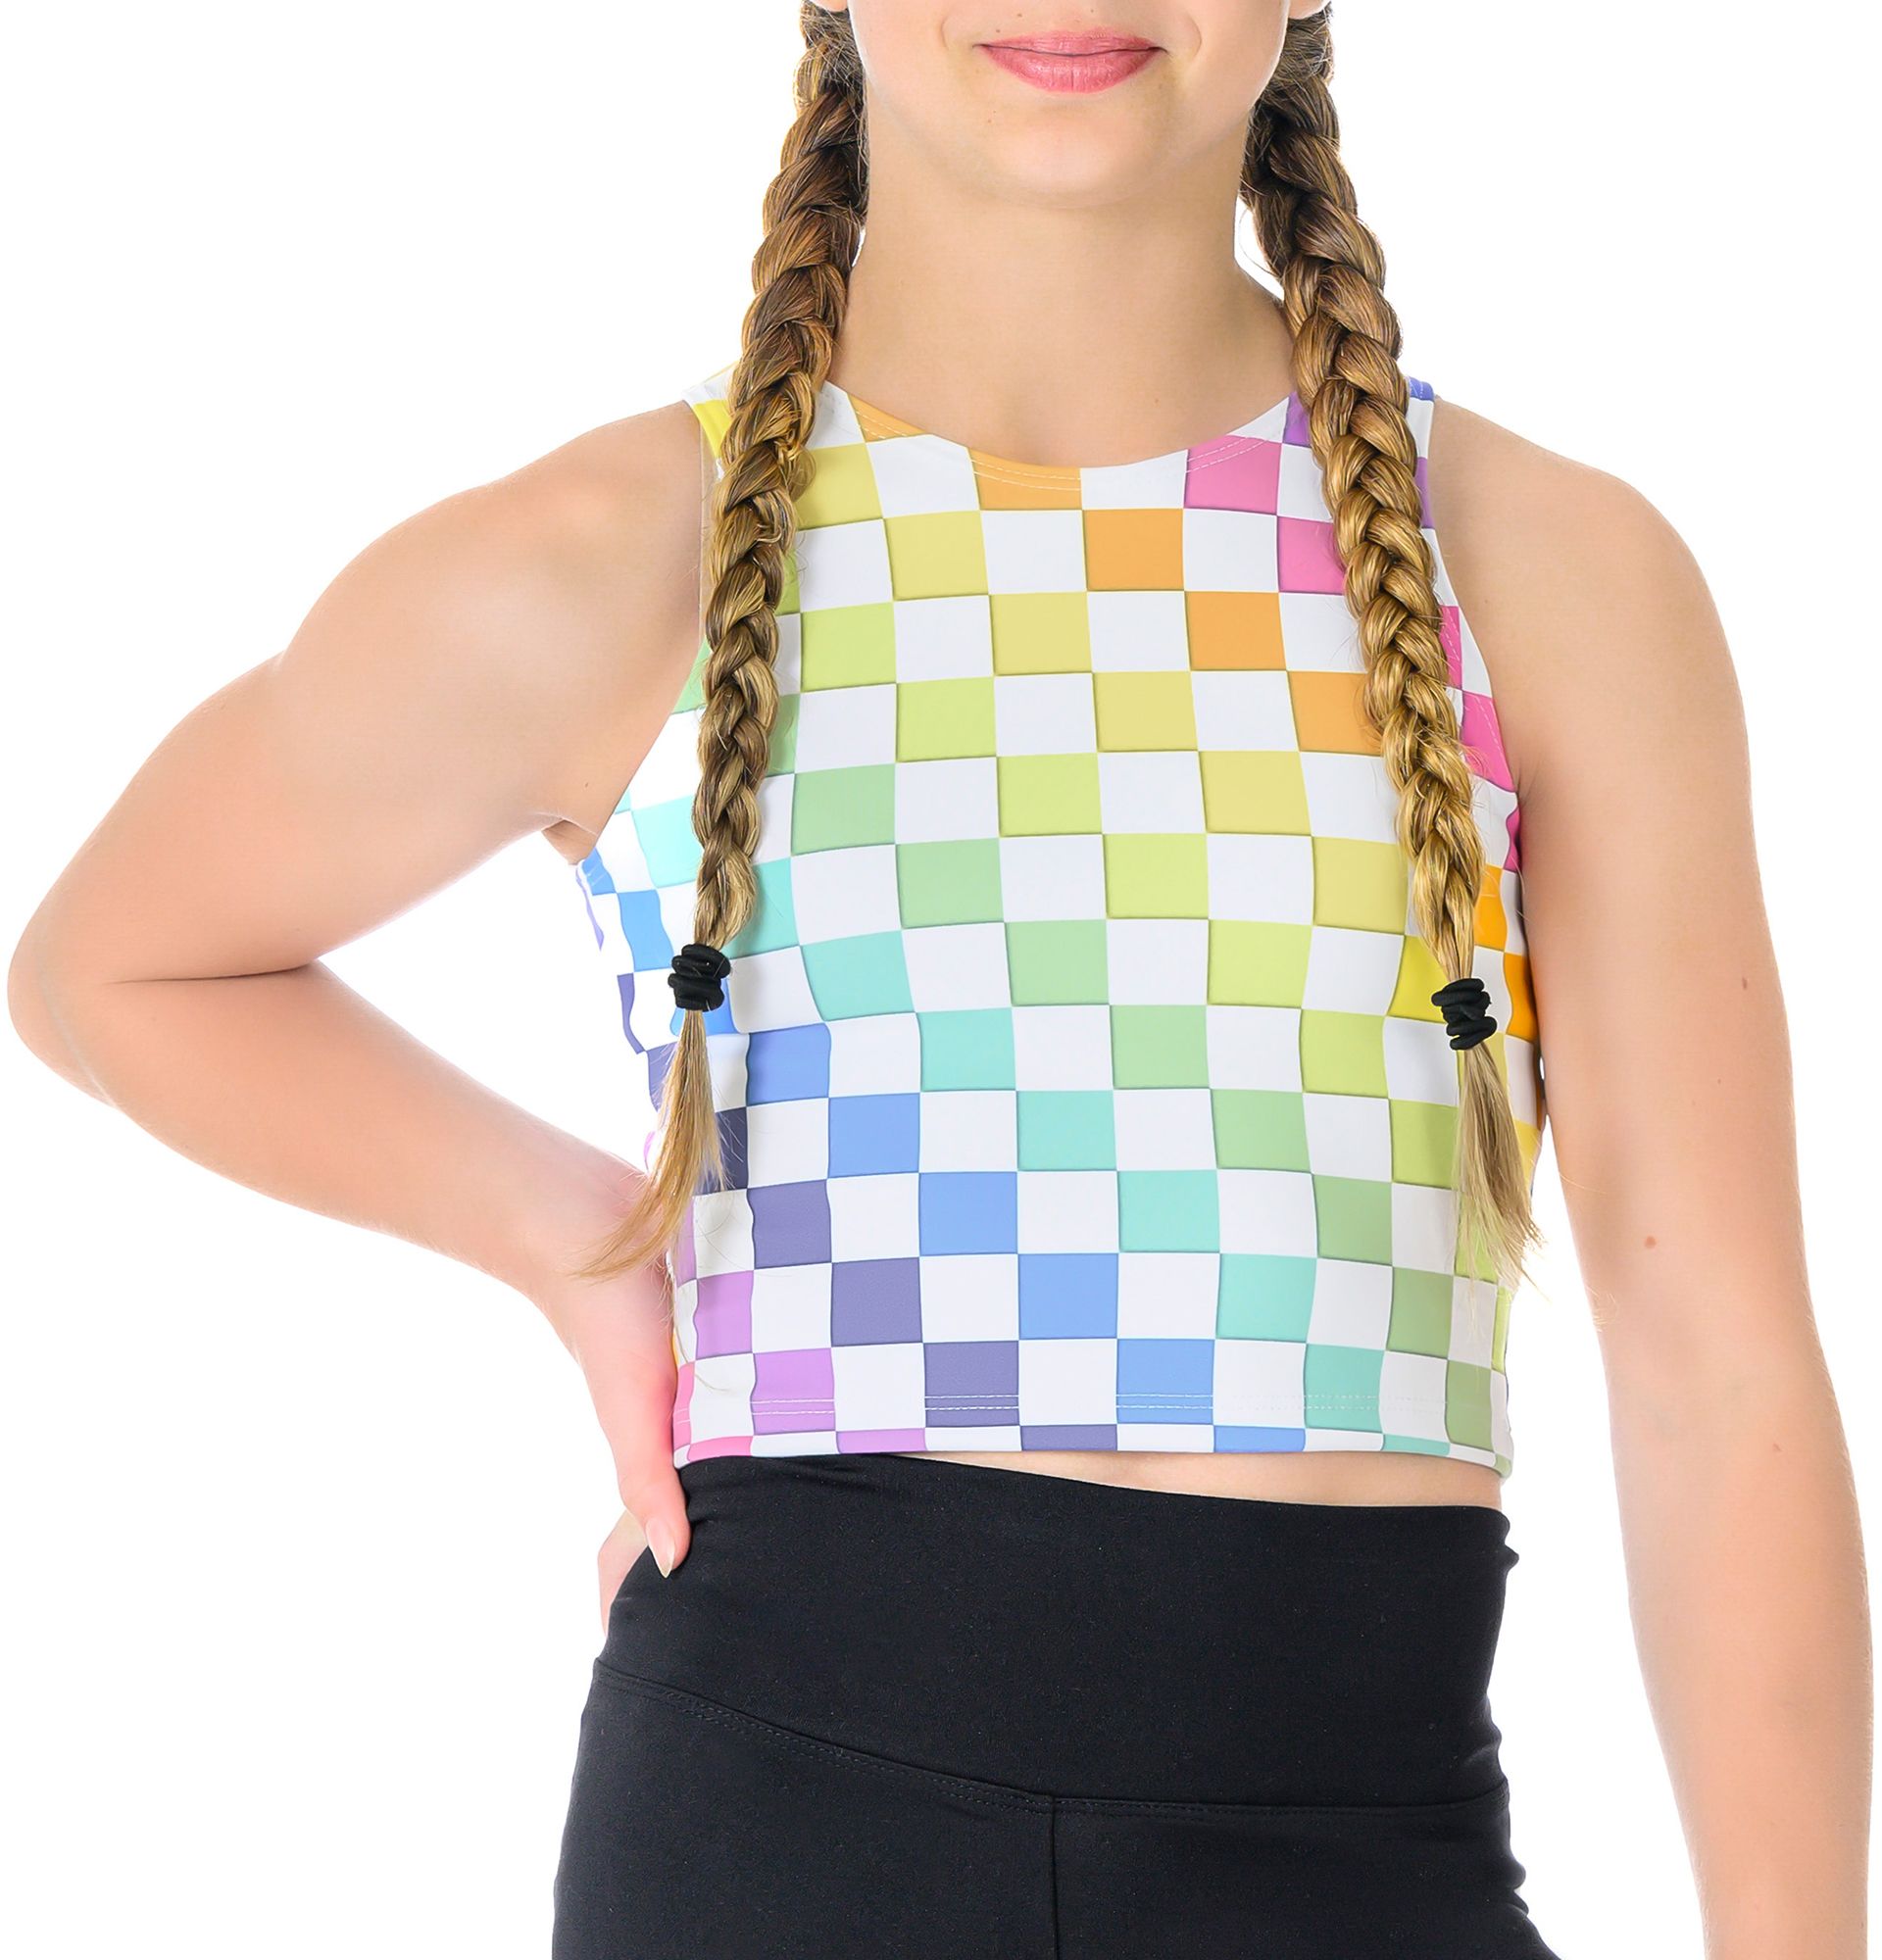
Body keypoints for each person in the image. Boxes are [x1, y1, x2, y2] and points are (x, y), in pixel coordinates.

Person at [8, 4, 1870, 1955]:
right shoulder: (610, 558)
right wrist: (578, 1241)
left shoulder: (1551, 572)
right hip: (780, 1835)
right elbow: (112, 964)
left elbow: (1718, 1365)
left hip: (1365, 1845)